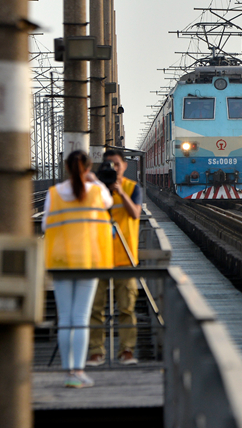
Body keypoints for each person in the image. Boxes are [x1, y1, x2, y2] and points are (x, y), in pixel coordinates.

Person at [43, 150, 114, 388]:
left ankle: (68, 373)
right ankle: (79, 372)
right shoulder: (96, 191)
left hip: (61, 261)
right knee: (81, 317)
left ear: (66, 166)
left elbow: (45, 224)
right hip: (88, 260)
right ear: (88, 167)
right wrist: (93, 180)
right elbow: (109, 202)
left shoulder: (53, 194)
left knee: (65, 319)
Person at [87, 149, 143, 366]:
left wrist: (119, 192)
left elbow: (135, 214)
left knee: (127, 307)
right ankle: (96, 351)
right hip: (98, 256)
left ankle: (126, 350)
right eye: (109, 165)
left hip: (124, 257)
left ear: (124, 166)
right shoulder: (96, 190)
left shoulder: (131, 188)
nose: (113, 168)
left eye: (116, 164)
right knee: (95, 307)